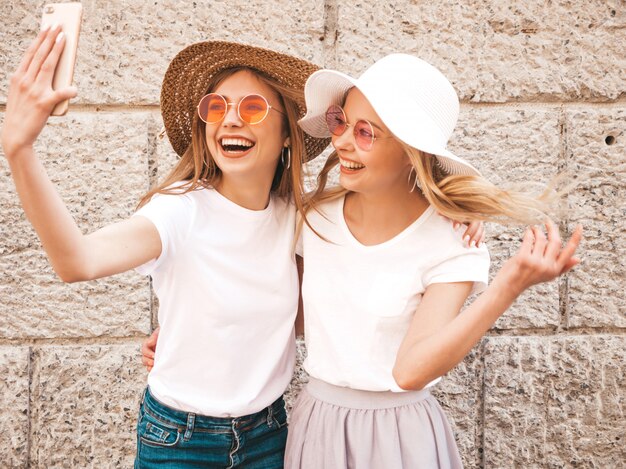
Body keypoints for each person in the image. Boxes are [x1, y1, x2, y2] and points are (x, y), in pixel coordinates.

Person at [1, 25, 335, 467]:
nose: (230, 119)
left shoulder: (295, 217)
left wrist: (454, 216)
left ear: (288, 132)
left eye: (252, 107)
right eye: (216, 107)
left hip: (267, 433)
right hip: (181, 440)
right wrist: (19, 150)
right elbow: (76, 261)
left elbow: (294, 321)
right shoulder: (179, 212)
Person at [280, 54, 582, 468]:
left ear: (410, 152)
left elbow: (410, 372)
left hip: (399, 440)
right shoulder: (313, 220)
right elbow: (284, 317)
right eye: (340, 120)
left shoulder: (452, 240)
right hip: (317, 427)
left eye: (366, 132)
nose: (342, 141)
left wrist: (509, 284)